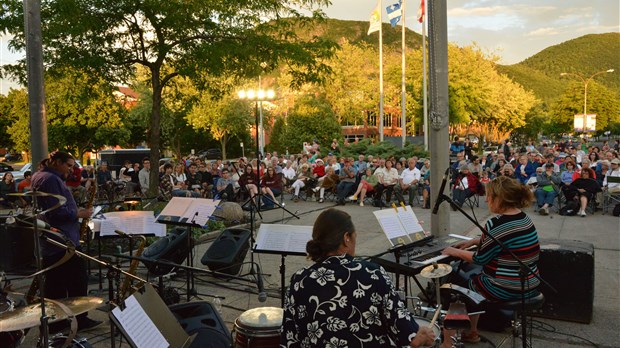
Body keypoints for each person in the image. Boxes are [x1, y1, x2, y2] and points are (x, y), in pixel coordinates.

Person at [281, 208, 436, 348]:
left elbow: (289, 338)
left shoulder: (299, 280)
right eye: (354, 236)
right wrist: (421, 336)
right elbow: (405, 333)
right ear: (346, 238)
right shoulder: (373, 273)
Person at [441, 176, 540, 345]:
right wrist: (476, 241)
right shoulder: (524, 218)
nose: (486, 200)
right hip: (529, 282)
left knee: (453, 282)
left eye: (489, 196)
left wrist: (453, 251)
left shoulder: (495, 224)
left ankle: (447, 342)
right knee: (474, 278)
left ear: (499, 198)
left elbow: (480, 259)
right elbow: (508, 240)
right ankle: (471, 332)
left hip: (506, 287)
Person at [30, 151, 101, 332]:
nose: (70, 170)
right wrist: (80, 213)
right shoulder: (50, 179)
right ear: (57, 162)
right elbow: (56, 212)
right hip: (61, 240)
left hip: (55, 240)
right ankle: (79, 319)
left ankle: (57, 323)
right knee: (77, 280)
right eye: (68, 165)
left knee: (57, 284)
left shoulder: (41, 175)